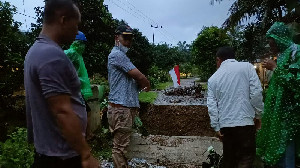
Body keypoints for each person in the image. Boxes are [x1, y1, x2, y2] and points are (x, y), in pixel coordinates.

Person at [24, 0, 99, 167]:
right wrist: (86, 155)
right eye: (76, 24)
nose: (77, 30)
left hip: (49, 152)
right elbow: (62, 111)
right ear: (63, 20)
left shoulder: (35, 50)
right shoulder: (51, 55)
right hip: (62, 157)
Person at [207, 47, 264, 168]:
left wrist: (216, 127)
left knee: (229, 159)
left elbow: (212, 106)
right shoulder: (247, 67)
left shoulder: (213, 79)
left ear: (218, 60)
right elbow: (256, 93)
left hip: (226, 126)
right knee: (246, 157)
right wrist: (258, 115)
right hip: (246, 123)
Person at [256, 22, 300, 167]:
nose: (270, 46)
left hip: (289, 116)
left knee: (286, 151)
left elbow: (296, 83)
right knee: (277, 153)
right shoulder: (281, 55)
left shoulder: (296, 52)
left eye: (272, 41)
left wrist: (275, 68)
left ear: (280, 38)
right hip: (277, 114)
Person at [107, 25, 150, 168]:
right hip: (121, 109)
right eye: (125, 38)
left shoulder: (122, 57)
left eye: (130, 38)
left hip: (122, 108)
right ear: (116, 38)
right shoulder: (117, 55)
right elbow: (139, 76)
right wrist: (146, 84)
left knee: (121, 146)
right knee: (120, 148)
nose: (128, 42)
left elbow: (131, 80)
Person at [64, 31, 93, 139]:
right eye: (81, 43)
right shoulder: (72, 53)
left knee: (85, 111)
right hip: (72, 90)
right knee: (83, 112)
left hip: (76, 89)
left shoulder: (78, 55)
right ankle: (83, 135)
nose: (83, 46)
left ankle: (85, 134)